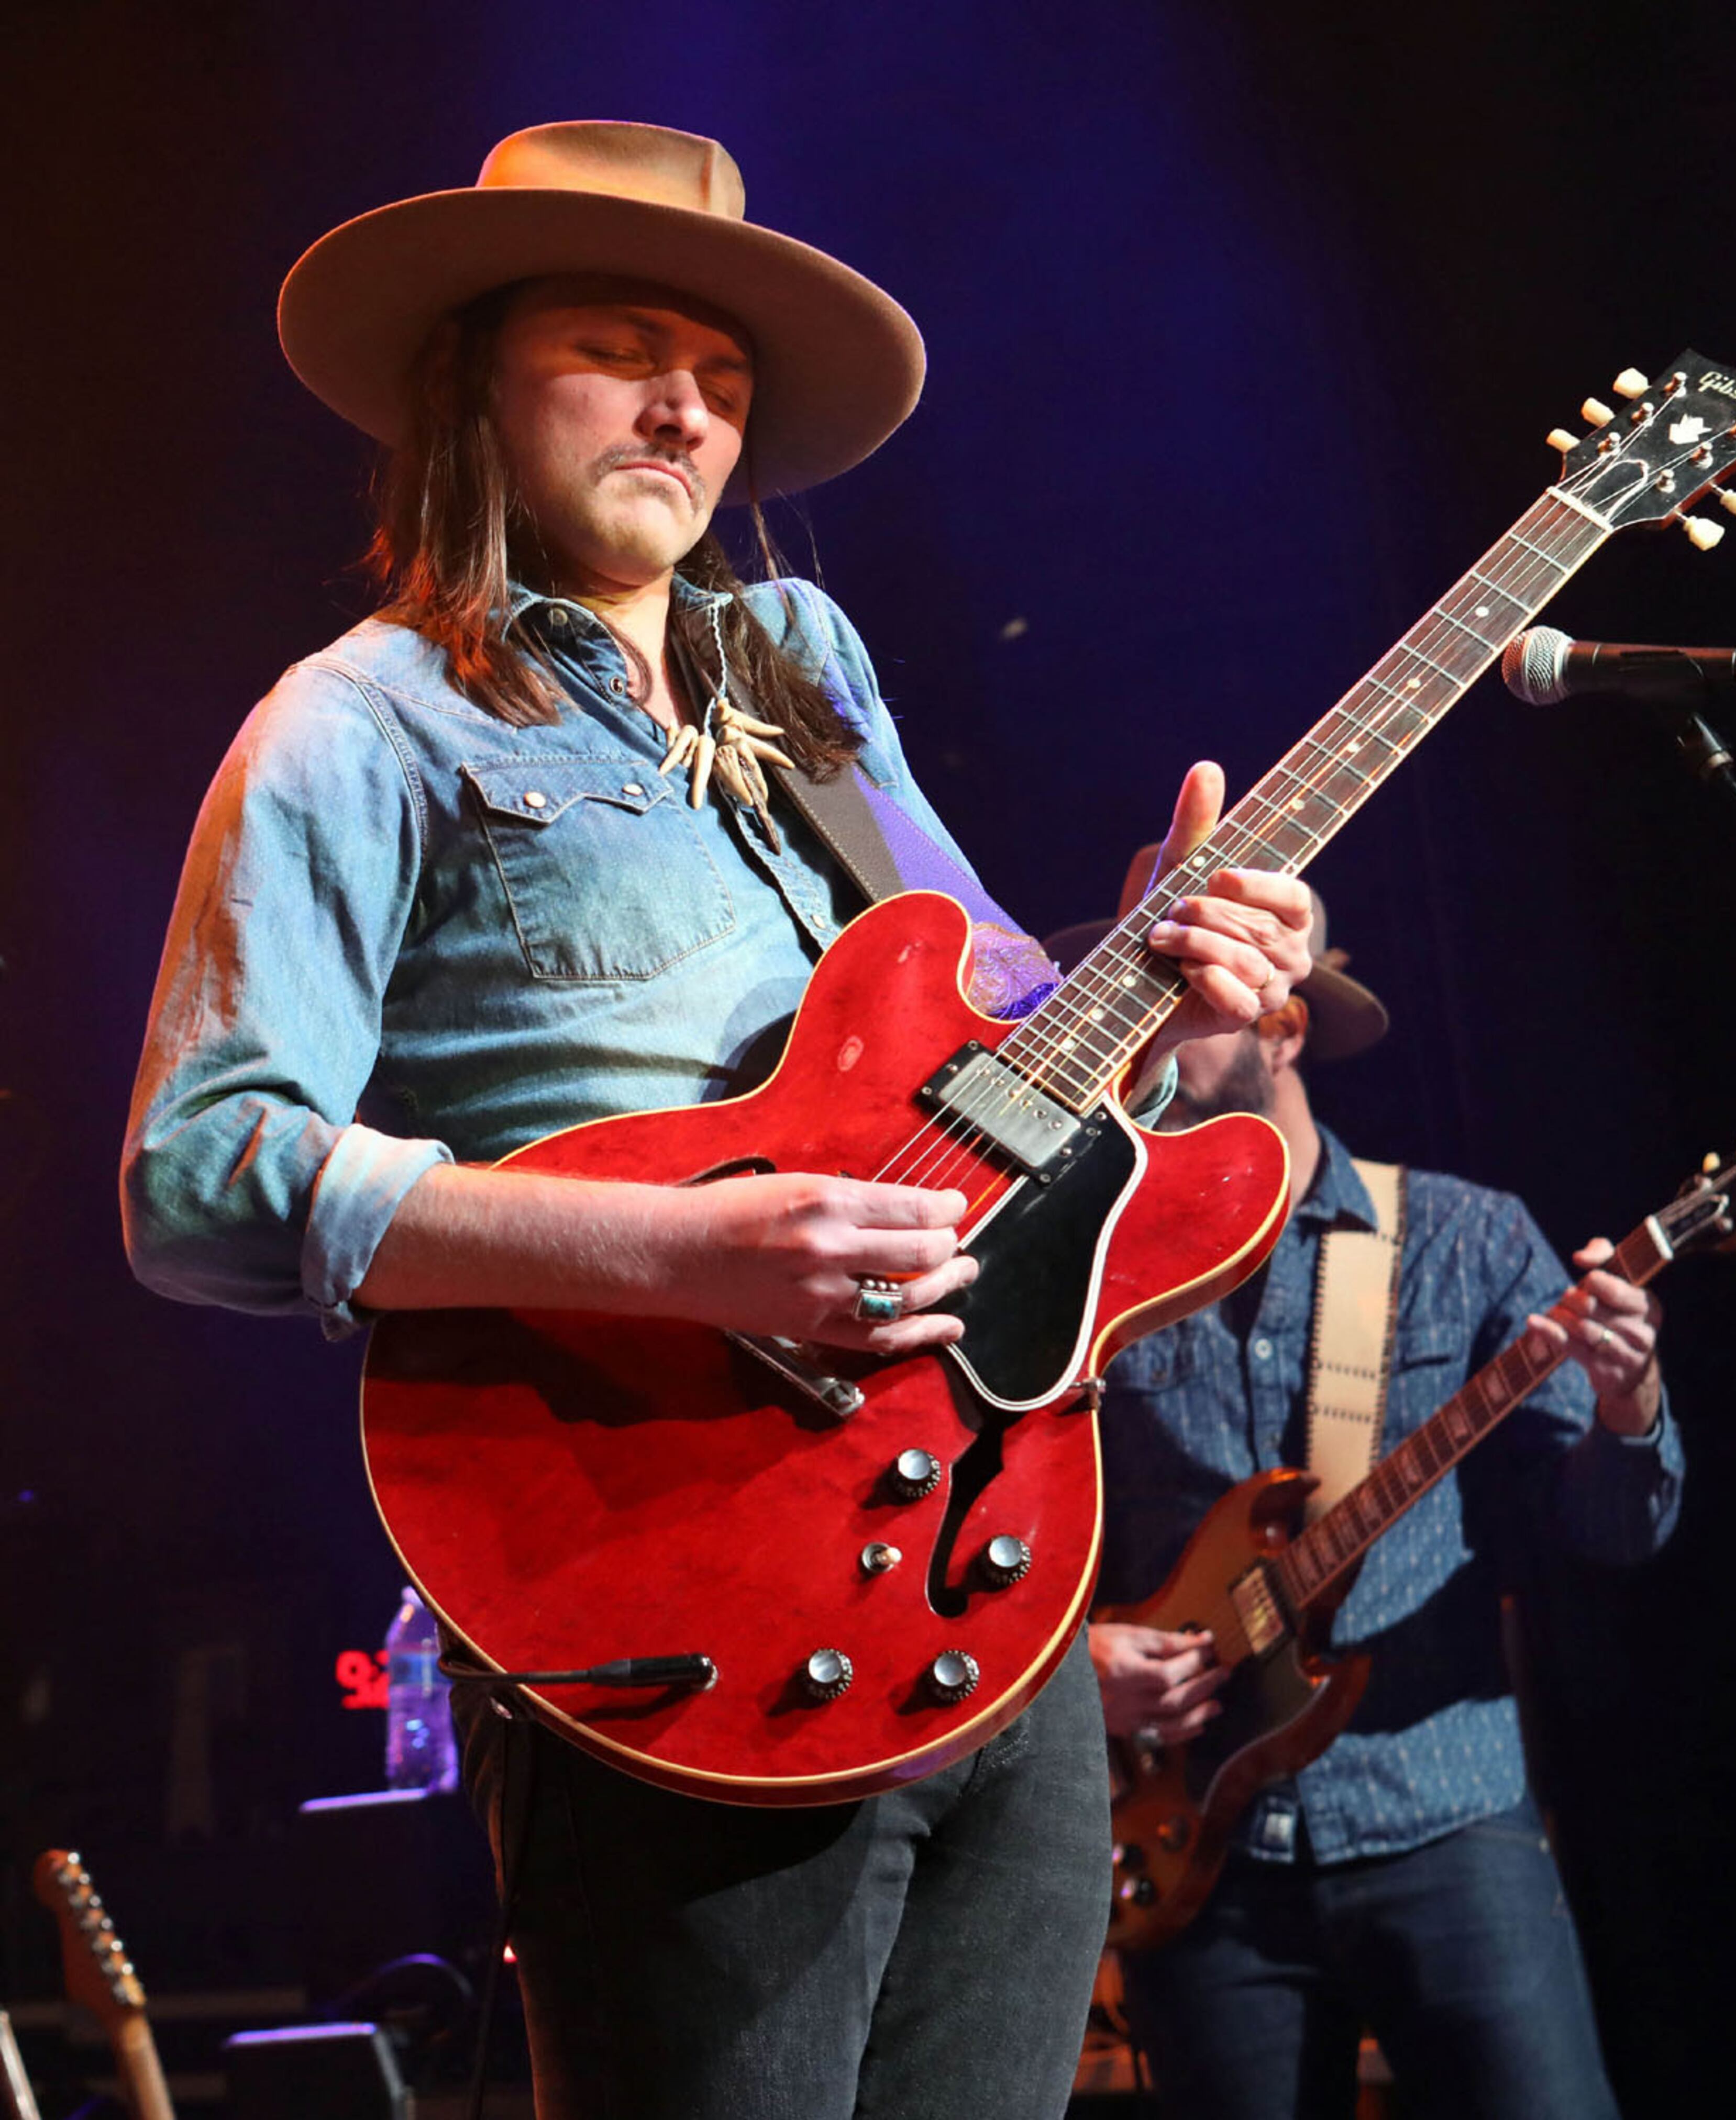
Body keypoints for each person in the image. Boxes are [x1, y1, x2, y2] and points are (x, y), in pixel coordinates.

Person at [119, 123, 1315, 2120]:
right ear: (476, 378)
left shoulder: (811, 677)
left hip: (987, 1572)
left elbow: (1004, 1049)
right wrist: (689, 1248)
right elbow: (202, 1169)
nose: (688, 406)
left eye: (728, 378)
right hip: (675, 1589)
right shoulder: (357, 722)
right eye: (622, 343)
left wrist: (1165, 990)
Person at [1051, 865, 1685, 2120]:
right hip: (1192, 1865)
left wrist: (1632, 1404)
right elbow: (1015, 1541)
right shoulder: (1091, 1278)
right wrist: (1079, 1667)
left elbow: (1612, 1530)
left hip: (1445, 1825)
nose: (1150, 1030)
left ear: (1284, 1024)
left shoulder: (1463, 1235)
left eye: (1190, 995)